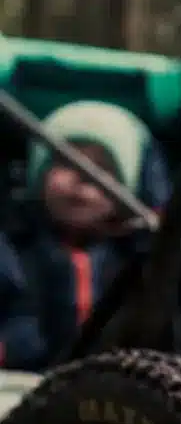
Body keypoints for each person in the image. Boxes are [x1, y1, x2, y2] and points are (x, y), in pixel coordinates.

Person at [0, 100, 171, 370]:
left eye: (103, 170)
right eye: (67, 162)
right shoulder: (12, 248)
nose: (83, 179)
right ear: (38, 174)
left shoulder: (140, 258)